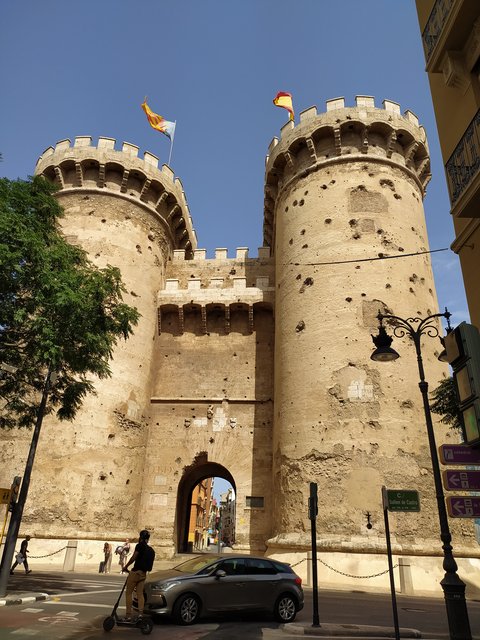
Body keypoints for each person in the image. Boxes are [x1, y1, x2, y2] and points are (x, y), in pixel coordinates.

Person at [123, 530, 155, 621]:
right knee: (140, 594)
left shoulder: (139, 546)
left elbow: (134, 557)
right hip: (143, 574)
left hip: (136, 572)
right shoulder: (151, 550)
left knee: (128, 593)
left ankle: (128, 615)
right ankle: (140, 614)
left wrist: (126, 566)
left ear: (141, 537)